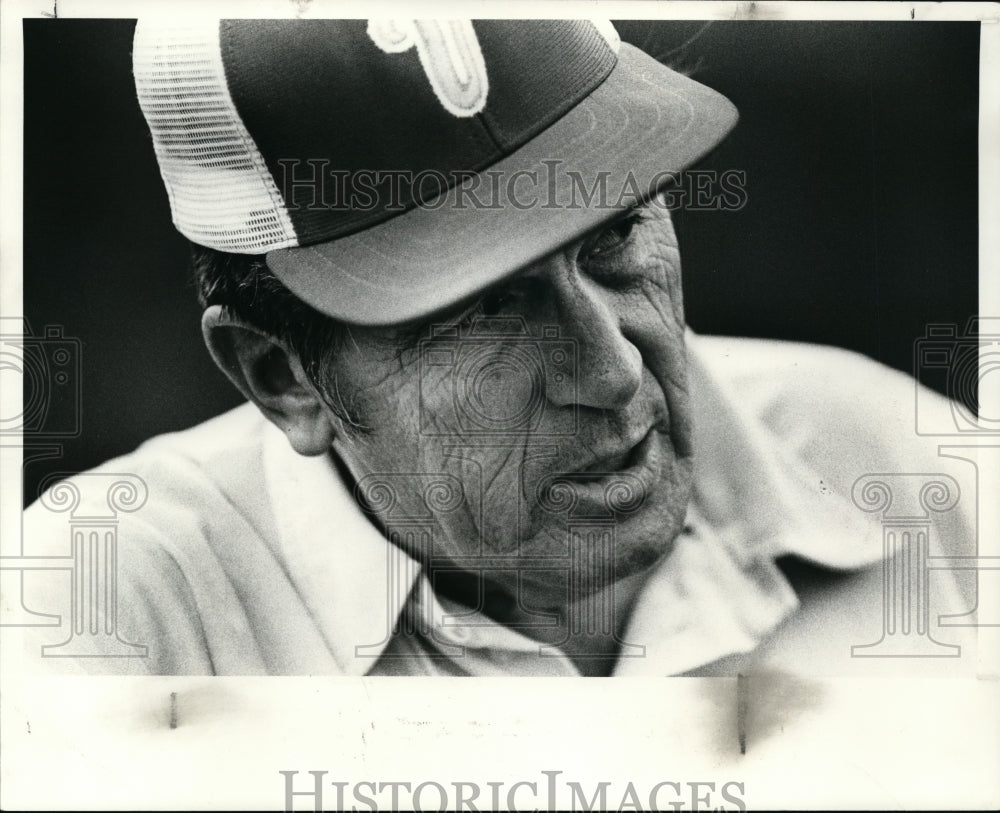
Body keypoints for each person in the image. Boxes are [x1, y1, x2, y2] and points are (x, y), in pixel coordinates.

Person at [21, 19, 977, 676]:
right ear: (283, 377)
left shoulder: (930, 476)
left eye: (613, 236)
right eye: (483, 310)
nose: (613, 372)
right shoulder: (94, 614)